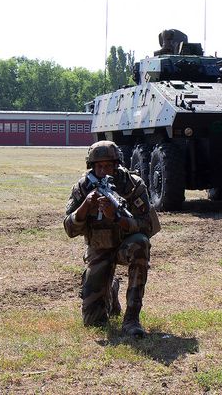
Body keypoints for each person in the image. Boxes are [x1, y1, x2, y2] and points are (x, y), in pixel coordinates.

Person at [63, 141, 160, 336]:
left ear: (117, 165)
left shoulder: (133, 185)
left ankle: (132, 318)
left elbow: (148, 225)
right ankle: (111, 287)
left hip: (126, 245)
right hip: (99, 248)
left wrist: (117, 218)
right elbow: (69, 229)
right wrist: (85, 208)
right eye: (99, 166)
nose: (103, 170)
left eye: (108, 166)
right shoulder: (83, 187)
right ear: (92, 167)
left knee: (141, 243)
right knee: (93, 321)